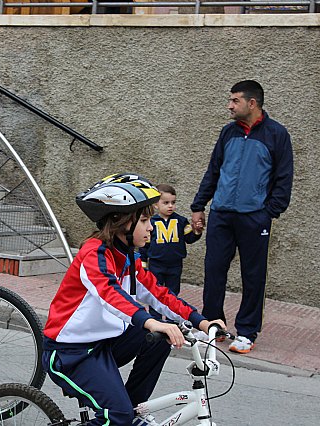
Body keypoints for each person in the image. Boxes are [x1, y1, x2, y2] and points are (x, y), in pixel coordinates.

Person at [43, 173, 225, 426]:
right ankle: (121, 416)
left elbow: (158, 293)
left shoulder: (129, 257)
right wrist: (151, 322)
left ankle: (132, 410)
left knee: (160, 341)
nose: (151, 227)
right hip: (71, 351)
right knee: (117, 416)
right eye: (144, 220)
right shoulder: (93, 254)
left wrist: (201, 322)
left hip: (106, 343)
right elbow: (110, 293)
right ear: (121, 222)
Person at [191, 80, 293, 354]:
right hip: (222, 214)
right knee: (213, 271)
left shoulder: (276, 134)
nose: (229, 105)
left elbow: (284, 179)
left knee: (253, 275)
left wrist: (268, 212)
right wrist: (199, 205)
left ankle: (247, 332)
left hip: (254, 218)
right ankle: (214, 326)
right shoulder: (228, 132)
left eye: (235, 100)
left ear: (252, 103)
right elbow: (213, 171)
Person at [140, 183, 201, 318]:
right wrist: (143, 262)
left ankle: (172, 318)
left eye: (173, 202)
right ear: (156, 204)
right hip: (156, 263)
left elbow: (189, 238)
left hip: (175, 264)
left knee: (173, 293)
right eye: (166, 202)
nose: (170, 206)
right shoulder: (152, 222)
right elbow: (145, 245)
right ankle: (155, 319)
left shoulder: (181, 221)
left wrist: (197, 231)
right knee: (155, 291)